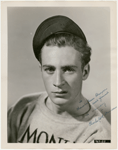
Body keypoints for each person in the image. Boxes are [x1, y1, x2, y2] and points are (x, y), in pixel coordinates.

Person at [8, 15, 111, 143]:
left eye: (68, 70)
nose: (58, 82)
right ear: (41, 69)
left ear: (85, 71)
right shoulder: (23, 109)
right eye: (50, 69)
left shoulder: (98, 135)